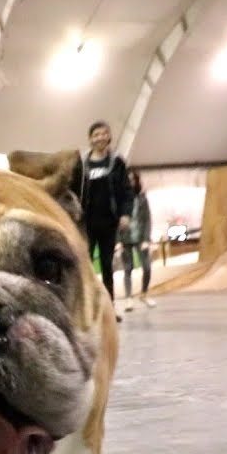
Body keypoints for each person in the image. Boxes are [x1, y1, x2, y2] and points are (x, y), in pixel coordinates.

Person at [70, 121, 136, 312]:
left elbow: (126, 192)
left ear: (109, 137)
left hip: (109, 224)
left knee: (107, 266)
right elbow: (73, 191)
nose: (99, 137)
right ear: (90, 139)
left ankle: (109, 307)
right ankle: (87, 308)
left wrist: (125, 214)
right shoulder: (82, 164)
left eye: (103, 134)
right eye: (95, 134)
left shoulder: (117, 163)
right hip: (86, 224)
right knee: (86, 266)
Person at [118, 169, 157, 307]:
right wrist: (118, 241)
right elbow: (116, 220)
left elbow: (147, 220)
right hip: (125, 238)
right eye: (127, 179)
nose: (130, 182)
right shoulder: (120, 200)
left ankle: (144, 294)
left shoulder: (142, 199)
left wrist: (146, 239)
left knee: (147, 267)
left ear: (136, 181)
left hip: (140, 238)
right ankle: (129, 298)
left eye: (133, 179)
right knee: (128, 269)